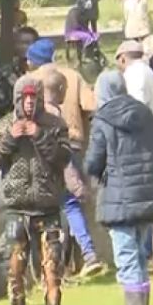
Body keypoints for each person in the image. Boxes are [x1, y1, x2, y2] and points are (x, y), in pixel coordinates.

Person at [85, 71, 153, 305]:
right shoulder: (147, 114)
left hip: (119, 199)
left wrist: (102, 174)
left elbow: (92, 162)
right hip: (148, 198)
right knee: (138, 258)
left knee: (127, 258)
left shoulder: (103, 120)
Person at [0, 76, 71, 305]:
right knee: (15, 265)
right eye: (25, 98)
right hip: (17, 207)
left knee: (52, 265)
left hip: (48, 206)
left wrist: (40, 136)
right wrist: (10, 139)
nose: (30, 103)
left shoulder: (56, 124)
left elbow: (64, 158)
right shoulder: (3, 126)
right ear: (17, 100)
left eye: (34, 98)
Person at [26, 39, 105, 277]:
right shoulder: (73, 75)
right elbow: (91, 105)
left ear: (32, 60)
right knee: (73, 202)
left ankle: (49, 265)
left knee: (46, 208)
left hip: (40, 150)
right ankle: (78, 259)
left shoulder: (29, 82)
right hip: (74, 143)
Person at [0, 27, 40, 118]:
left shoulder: (43, 72)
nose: (26, 47)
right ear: (15, 46)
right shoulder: (4, 75)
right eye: (22, 43)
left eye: (30, 43)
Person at [116, 40, 153, 122]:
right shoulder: (147, 70)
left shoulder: (133, 73)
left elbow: (135, 108)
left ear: (122, 59)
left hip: (144, 129)